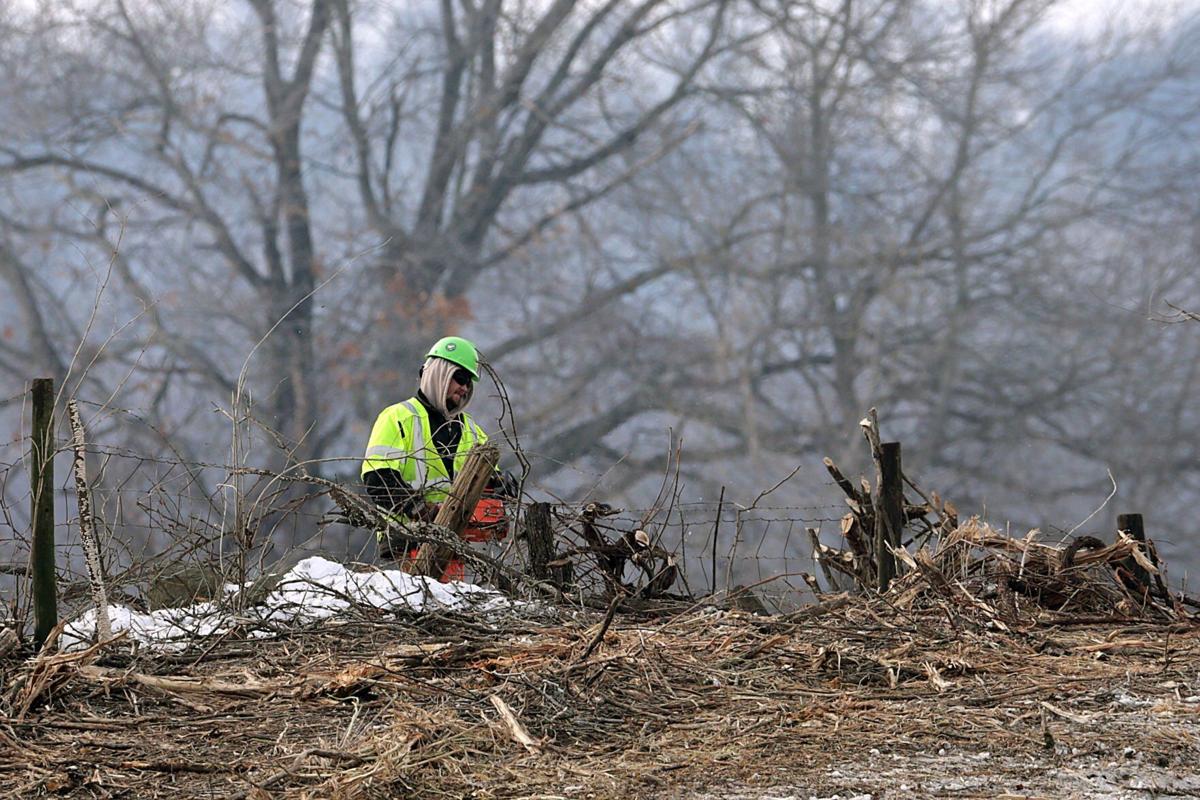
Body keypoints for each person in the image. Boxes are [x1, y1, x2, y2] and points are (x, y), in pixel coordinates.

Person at [360, 336, 495, 576]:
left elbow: (489, 484)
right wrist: (422, 510)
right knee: (422, 605)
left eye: (469, 383)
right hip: (407, 541)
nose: (464, 388)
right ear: (439, 374)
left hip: (454, 543)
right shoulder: (397, 418)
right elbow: (378, 480)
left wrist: (505, 484)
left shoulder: (473, 432)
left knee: (450, 608)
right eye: (460, 378)